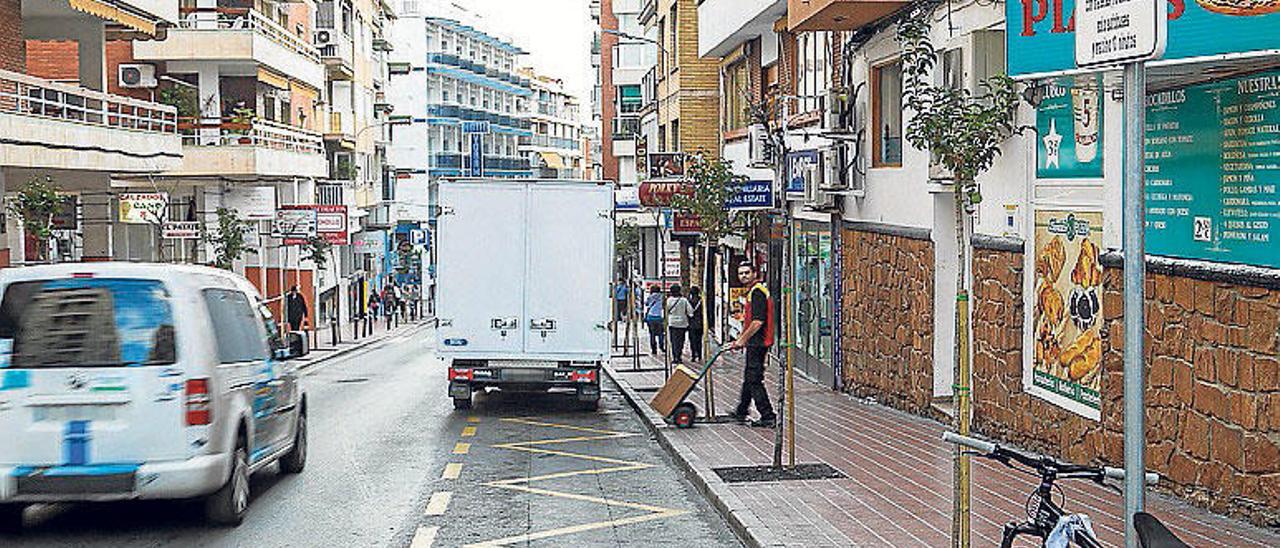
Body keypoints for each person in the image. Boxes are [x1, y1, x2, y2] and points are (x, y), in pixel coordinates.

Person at [727, 263, 776, 428]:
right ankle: (741, 410)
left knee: (754, 379)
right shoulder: (753, 292)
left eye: (747, 272)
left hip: (758, 342)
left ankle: (768, 415)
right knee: (749, 377)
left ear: (755, 273)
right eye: (741, 273)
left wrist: (742, 340)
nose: (744, 276)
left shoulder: (757, 293)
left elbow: (757, 321)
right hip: (755, 342)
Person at [665, 284, 692, 365]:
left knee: (673, 341)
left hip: (672, 322)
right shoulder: (684, 300)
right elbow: (690, 312)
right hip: (682, 323)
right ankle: (679, 356)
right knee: (681, 340)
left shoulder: (669, 300)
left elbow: (665, 311)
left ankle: (674, 357)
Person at [643, 285, 666, 355]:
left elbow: (646, 304)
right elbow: (664, 305)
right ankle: (661, 346)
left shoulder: (650, 297)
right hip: (659, 317)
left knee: (652, 334)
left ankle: (653, 349)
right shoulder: (662, 296)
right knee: (661, 333)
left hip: (650, 317)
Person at [688, 286, 705, 363]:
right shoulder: (701, 301)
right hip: (700, 323)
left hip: (691, 324)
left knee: (692, 340)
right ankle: (700, 355)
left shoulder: (689, 301)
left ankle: (693, 355)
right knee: (699, 340)